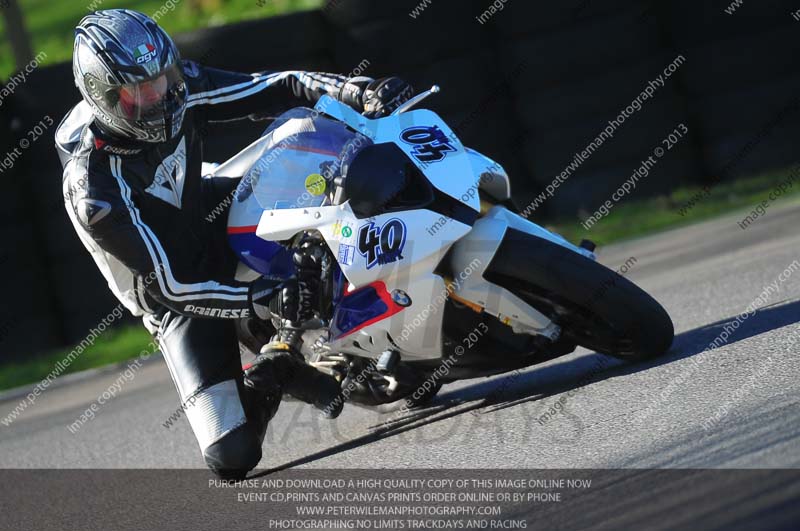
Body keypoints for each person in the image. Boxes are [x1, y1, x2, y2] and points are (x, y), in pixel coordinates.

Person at [54, 8, 413, 479]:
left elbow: (277, 86)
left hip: (214, 216)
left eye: (162, 80)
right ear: (103, 99)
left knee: (308, 150)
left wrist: (352, 90)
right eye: (138, 92)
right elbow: (172, 287)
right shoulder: (93, 189)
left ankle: (387, 278)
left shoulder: (179, 89)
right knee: (232, 456)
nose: (158, 98)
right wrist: (260, 295)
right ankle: (276, 375)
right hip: (175, 296)